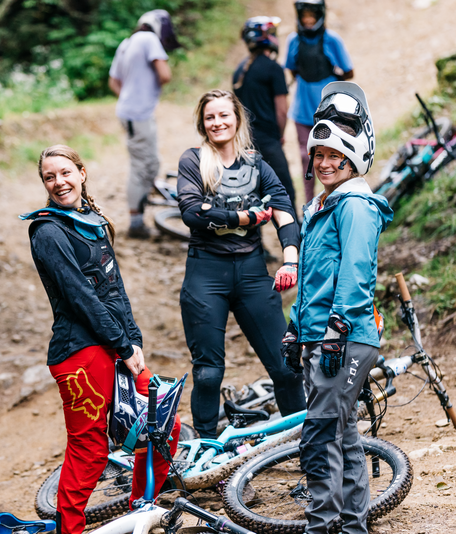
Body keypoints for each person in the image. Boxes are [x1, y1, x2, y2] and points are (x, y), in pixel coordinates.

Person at [21, 145, 181, 534]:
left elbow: (114, 289)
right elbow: (79, 297)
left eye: (65, 173)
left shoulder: (90, 219)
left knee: (164, 426)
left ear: (82, 172)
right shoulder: (47, 230)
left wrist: (133, 340)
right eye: (49, 177)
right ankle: (69, 529)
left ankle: (141, 511)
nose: (59, 183)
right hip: (80, 353)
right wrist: (123, 346)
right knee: (90, 451)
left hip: (115, 345)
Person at [281, 82, 392, 534]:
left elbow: (356, 271)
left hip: (344, 337)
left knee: (319, 437)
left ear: (354, 158)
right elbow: (312, 279)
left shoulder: (356, 206)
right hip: (322, 335)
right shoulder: (321, 207)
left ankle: (320, 527)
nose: (325, 164)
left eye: (336, 157)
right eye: (319, 156)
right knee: (343, 438)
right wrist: (295, 328)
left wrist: (338, 326)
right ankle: (351, 527)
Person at [176, 89, 307, 439]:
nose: (218, 123)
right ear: (202, 124)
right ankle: (202, 454)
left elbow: (282, 209)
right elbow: (191, 212)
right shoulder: (193, 161)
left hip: (251, 274)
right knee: (208, 373)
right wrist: (244, 217)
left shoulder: (256, 164)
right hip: (206, 276)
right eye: (210, 117)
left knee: (287, 367)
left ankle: (299, 446)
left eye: (224, 115)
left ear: (237, 120)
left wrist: (290, 260)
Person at [108, 10, 180, 238]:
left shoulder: (126, 43)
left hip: (130, 112)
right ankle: (136, 223)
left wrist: (129, 97)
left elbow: (113, 81)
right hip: (138, 114)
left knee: (149, 163)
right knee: (143, 167)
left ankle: (139, 211)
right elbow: (165, 74)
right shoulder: (149, 39)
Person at [284, 0, 353, 203]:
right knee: (307, 158)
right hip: (303, 109)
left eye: (311, 15)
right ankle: (310, 204)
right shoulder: (293, 40)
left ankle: (335, 199)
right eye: (304, 15)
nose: (307, 20)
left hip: (330, 110)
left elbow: (348, 70)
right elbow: (291, 67)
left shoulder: (332, 40)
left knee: (333, 155)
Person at [233, 16, 296, 206]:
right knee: (285, 191)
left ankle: (254, 236)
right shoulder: (274, 69)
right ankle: (293, 232)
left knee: (250, 193)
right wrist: (280, 135)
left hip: (244, 142)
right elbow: (282, 111)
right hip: (269, 140)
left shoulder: (239, 71)